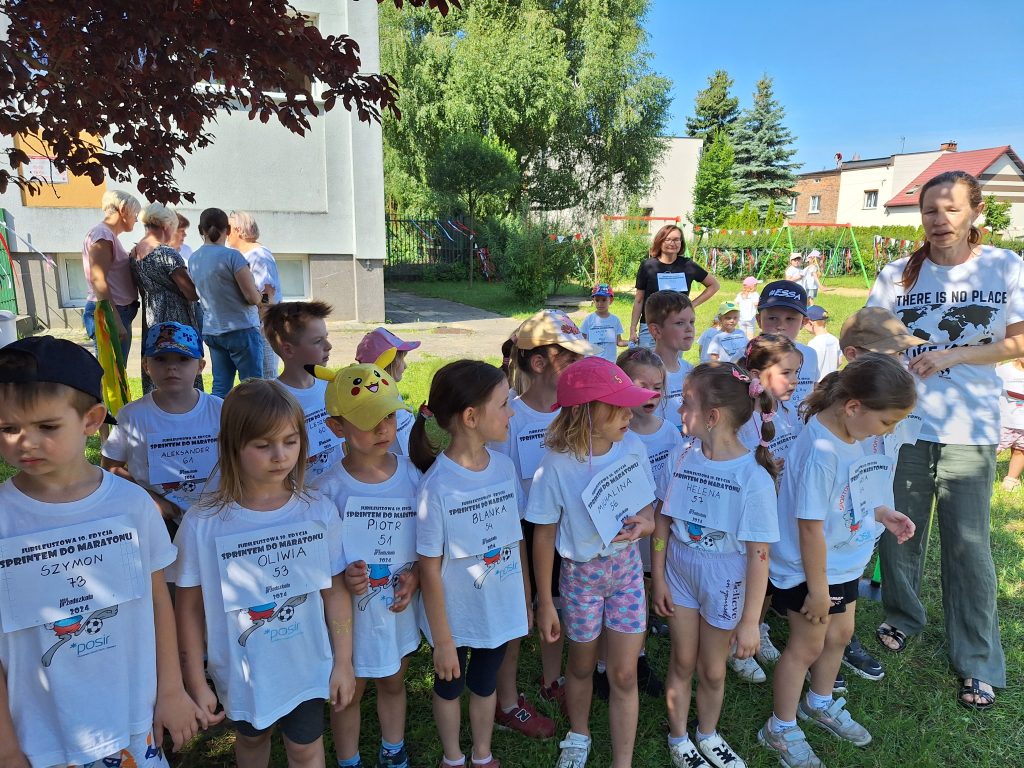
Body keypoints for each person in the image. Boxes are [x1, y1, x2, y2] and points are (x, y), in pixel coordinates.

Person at [0, 336, 204, 767]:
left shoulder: (132, 504)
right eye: (7, 428)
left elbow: (158, 601)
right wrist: (6, 747)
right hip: (41, 737)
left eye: (47, 426)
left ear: (91, 420)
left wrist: (171, 689)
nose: (25, 442)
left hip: (132, 721)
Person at [866, 170, 1022, 709]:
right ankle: (903, 615)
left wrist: (951, 354)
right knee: (899, 534)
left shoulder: (1003, 266)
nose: (940, 220)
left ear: (975, 211)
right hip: (903, 428)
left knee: (969, 547)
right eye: (930, 210)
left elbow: (1018, 342)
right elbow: (869, 338)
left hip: (969, 431)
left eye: (952, 209)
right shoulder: (897, 274)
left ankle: (977, 659)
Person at [174, 379, 355, 767]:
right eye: (263, 445)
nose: (280, 456)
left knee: (305, 748)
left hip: (306, 665)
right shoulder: (202, 524)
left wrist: (343, 661)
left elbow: (335, 592)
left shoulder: (318, 511)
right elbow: (188, 609)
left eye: (290, 441)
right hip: (243, 673)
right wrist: (194, 680)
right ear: (232, 445)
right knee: (253, 741)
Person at [758, 355, 917, 768]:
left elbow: (852, 492)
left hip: (842, 562)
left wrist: (882, 513)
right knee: (806, 646)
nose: (890, 430)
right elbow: (809, 528)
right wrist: (817, 590)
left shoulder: (852, 435)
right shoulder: (820, 451)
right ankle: (779, 727)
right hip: (809, 572)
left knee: (840, 635)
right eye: (887, 421)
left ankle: (819, 701)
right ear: (853, 406)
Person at [526, 357, 658, 768]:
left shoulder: (632, 447)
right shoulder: (555, 465)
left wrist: (647, 523)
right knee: (581, 666)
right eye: (617, 407)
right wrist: (545, 602)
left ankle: (623, 760)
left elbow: (647, 505)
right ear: (585, 412)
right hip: (580, 579)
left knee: (624, 672)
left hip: (626, 573)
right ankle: (578, 733)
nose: (629, 414)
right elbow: (543, 534)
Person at [652, 363, 780, 768]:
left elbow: (759, 555)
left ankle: (707, 734)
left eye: (685, 404)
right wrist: (659, 576)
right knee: (681, 660)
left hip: (725, 577)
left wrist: (750, 622)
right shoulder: (680, 455)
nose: (678, 410)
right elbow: (662, 519)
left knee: (711, 669)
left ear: (711, 416)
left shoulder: (752, 478)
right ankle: (679, 739)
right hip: (679, 570)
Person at [411, 360, 531, 768]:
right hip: (455, 617)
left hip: (498, 608)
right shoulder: (437, 487)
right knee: (449, 687)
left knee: (484, 682)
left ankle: (482, 754)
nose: (511, 412)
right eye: (504, 404)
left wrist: (524, 598)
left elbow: (515, 539)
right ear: (471, 417)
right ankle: (452, 757)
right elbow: (429, 568)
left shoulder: (504, 468)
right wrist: (443, 640)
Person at [312, 362, 421, 768]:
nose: (382, 428)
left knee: (394, 681)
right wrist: (344, 575)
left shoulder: (412, 476)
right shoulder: (326, 490)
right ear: (336, 427)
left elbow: (425, 542)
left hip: (397, 609)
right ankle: (349, 759)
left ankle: (393, 749)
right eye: (368, 419)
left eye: (389, 415)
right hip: (351, 620)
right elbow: (320, 562)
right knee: (349, 692)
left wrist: (416, 577)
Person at [492, 310, 595, 736]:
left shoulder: (577, 412)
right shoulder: (510, 418)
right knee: (520, 614)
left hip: (564, 527)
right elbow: (501, 485)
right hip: (521, 531)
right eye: (570, 359)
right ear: (538, 363)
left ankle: (552, 680)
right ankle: (506, 700)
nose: (579, 366)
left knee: (556, 603)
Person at [731, 334, 804, 683]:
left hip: (779, 510)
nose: (795, 380)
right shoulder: (744, 418)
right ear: (757, 375)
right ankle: (736, 641)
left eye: (797, 372)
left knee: (768, 578)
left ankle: (758, 627)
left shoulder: (786, 411)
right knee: (747, 576)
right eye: (786, 373)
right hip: (749, 517)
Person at [101, 322, 222, 527]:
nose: (171, 367)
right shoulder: (132, 416)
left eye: (183, 359)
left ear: (200, 366)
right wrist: (150, 499)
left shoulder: (221, 410)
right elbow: (110, 467)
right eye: (160, 359)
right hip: (159, 520)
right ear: (146, 366)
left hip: (217, 517)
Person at [188, 208, 265, 398]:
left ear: (200, 230)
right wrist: (262, 297)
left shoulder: (194, 259)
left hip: (213, 330)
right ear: (228, 230)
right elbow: (251, 297)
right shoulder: (233, 256)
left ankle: (219, 418)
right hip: (241, 329)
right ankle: (252, 418)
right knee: (254, 387)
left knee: (220, 388)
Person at [263, 301, 343, 484]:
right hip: (300, 493)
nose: (328, 345)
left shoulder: (331, 386)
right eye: (317, 341)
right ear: (288, 349)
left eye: (326, 337)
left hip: (338, 487)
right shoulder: (273, 399)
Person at [130, 203, 201, 393]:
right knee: (181, 363)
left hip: (151, 315)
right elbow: (191, 292)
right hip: (176, 317)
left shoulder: (135, 252)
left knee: (158, 362)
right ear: (166, 225)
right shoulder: (166, 254)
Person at [629, 224, 720, 348]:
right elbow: (639, 300)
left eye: (676, 239)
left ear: (681, 242)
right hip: (651, 326)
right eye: (668, 239)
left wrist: (691, 305)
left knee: (674, 360)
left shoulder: (688, 265)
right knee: (648, 360)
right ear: (660, 241)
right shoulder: (648, 266)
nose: (672, 243)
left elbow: (714, 285)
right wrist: (633, 328)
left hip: (678, 325)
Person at [82, 189, 142, 360]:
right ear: (123, 209)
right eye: (135, 214)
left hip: (117, 310)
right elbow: (98, 278)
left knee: (115, 370)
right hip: (113, 312)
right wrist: (114, 318)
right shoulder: (103, 235)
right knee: (111, 372)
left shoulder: (107, 235)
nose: (136, 219)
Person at [229, 210, 282, 378]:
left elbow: (267, 293)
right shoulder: (244, 255)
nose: (225, 234)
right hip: (254, 324)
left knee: (266, 376)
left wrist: (262, 325)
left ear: (238, 230)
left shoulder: (258, 255)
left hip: (263, 326)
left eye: (228, 228)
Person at [355, 327, 422, 456]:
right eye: (401, 360)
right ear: (389, 364)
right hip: (396, 464)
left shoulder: (391, 391)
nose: (406, 366)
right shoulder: (375, 403)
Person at [756, 280, 818, 410]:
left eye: (790, 319)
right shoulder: (746, 356)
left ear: (803, 322)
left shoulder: (810, 354)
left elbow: (813, 388)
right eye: (772, 318)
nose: (781, 326)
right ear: (758, 320)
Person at [646, 290, 696, 434]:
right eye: (680, 323)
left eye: (692, 322)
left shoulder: (690, 371)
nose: (689, 329)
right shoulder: (644, 374)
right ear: (656, 331)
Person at [996, 357, 1024, 491]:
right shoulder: (1003, 371)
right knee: (992, 450)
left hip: (1022, 424)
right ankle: (978, 473)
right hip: (1003, 423)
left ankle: (1011, 479)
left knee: (1021, 450)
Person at [580, 284, 627, 362]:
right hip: (592, 362)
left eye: (604, 300)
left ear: (611, 300)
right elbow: (582, 341)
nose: (600, 303)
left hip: (609, 362)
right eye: (597, 300)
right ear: (593, 300)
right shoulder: (589, 320)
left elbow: (619, 342)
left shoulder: (615, 320)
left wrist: (631, 342)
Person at [804, 306, 840, 381]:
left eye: (804, 322)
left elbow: (810, 367)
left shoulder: (814, 343)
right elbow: (839, 362)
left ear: (810, 323)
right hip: (831, 382)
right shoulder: (835, 340)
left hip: (818, 383)